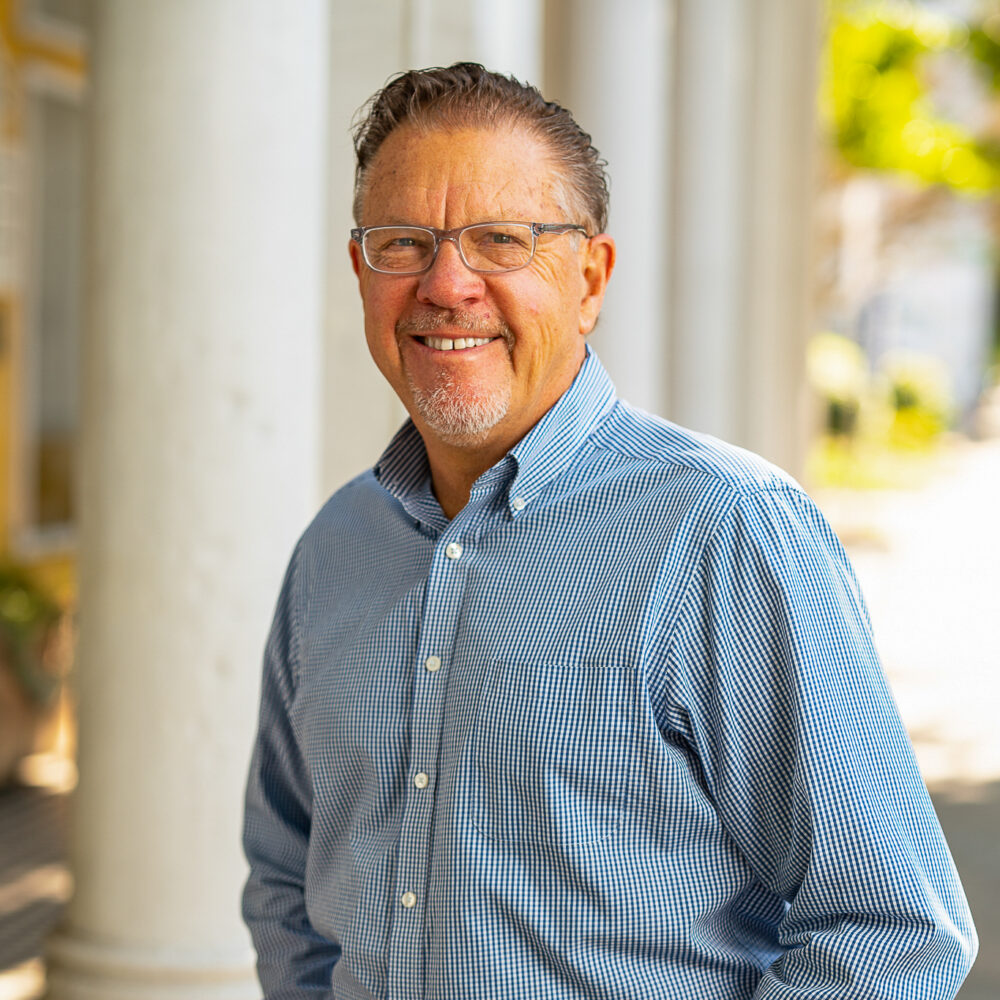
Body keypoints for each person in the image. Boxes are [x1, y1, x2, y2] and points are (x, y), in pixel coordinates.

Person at [242, 63, 977, 1000]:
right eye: (403, 243)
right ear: (361, 270)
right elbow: (285, 880)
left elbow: (895, 932)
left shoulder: (726, 532)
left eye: (500, 241)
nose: (446, 283)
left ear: (590, 277)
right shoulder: (337, 548)